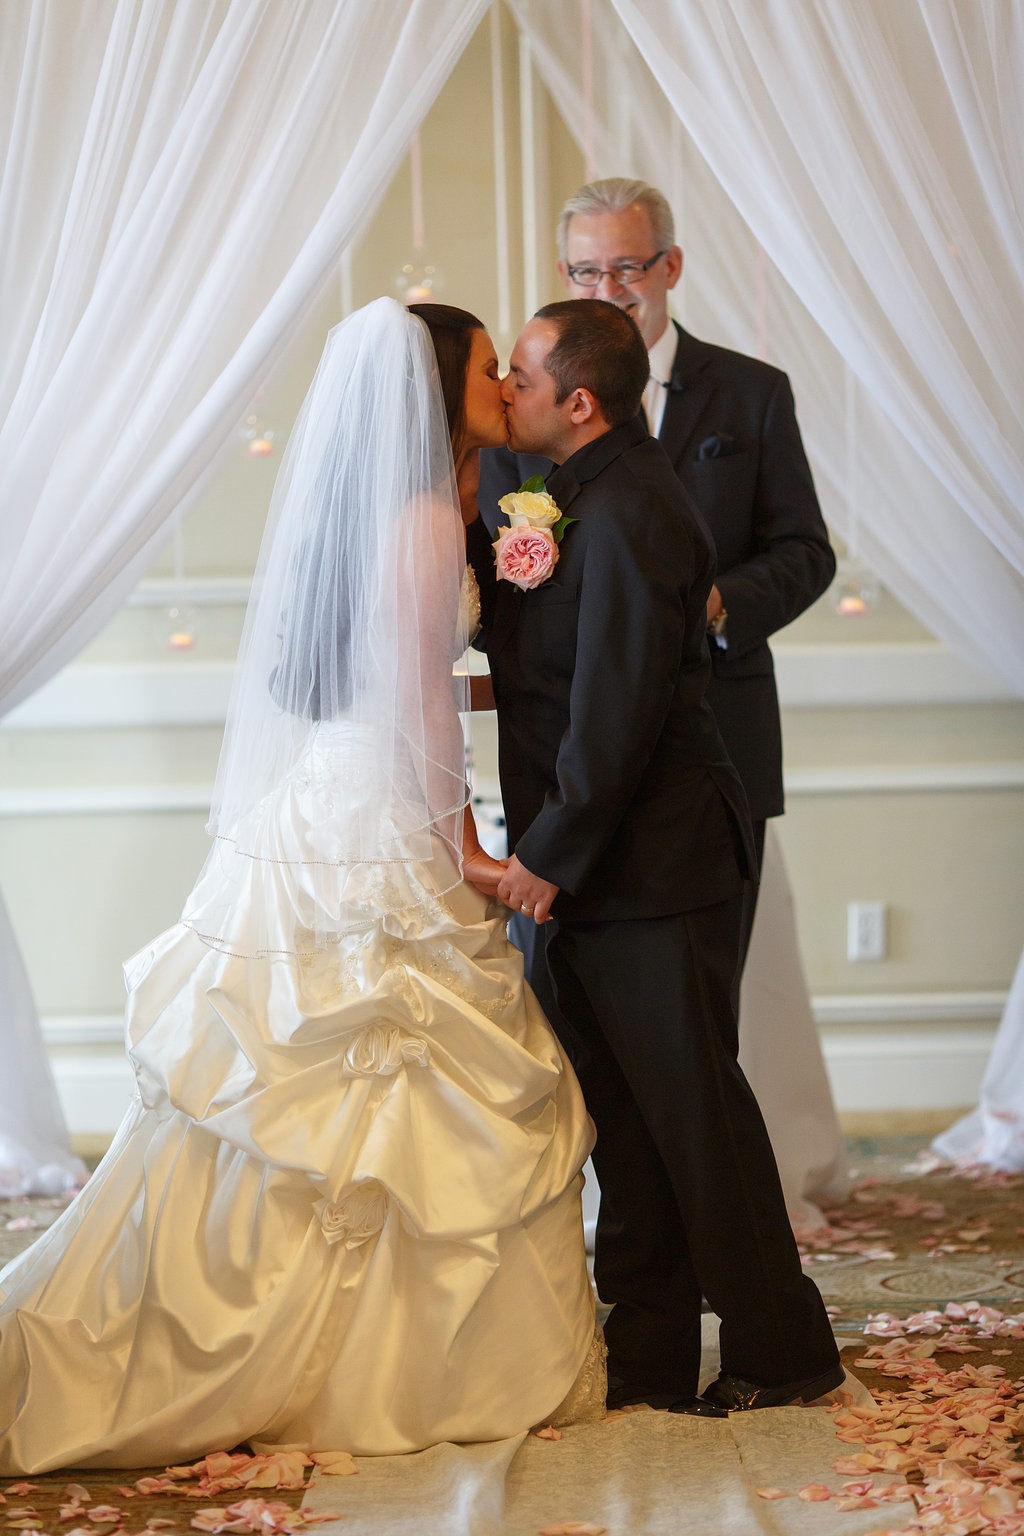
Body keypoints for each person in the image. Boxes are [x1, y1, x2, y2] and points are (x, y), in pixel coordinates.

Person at [0, 298, 601, 1475]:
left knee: (305, 1099)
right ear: (438, 388)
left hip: (333, 793)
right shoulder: (427, 517)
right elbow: (423, 705)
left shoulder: (393, 510)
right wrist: (465, 849)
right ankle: (365, 1361)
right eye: (486, 368)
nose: (500, 385)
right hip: (383, 813)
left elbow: (392, 682)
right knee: (372, 1095)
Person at [468, 298, 842, 1414]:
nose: (507, 394)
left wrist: (546, 854)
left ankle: (785, 1350)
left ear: (577, 402)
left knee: (694, 1117)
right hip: (600, 864)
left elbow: (618, 708)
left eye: (522, 377)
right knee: (625, 1120)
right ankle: (649, 1354)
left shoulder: (634, 511)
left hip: (656, 862)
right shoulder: (562, 492)